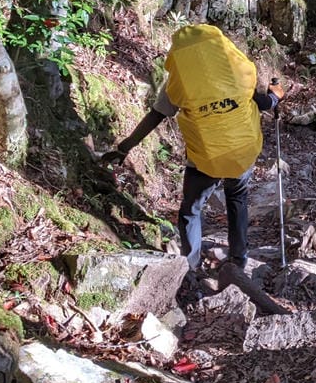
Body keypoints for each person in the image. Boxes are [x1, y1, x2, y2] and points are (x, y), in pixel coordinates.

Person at [102, 24, 282, 271]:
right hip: (242, 150)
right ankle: (238, 260)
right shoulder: (237, 72)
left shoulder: (181, 83)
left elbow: (157, 115)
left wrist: (125, 147)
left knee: (191, 209)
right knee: (237, 198)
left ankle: (191, 267)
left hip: (204, 157)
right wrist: (276, 97)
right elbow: (260, 103)